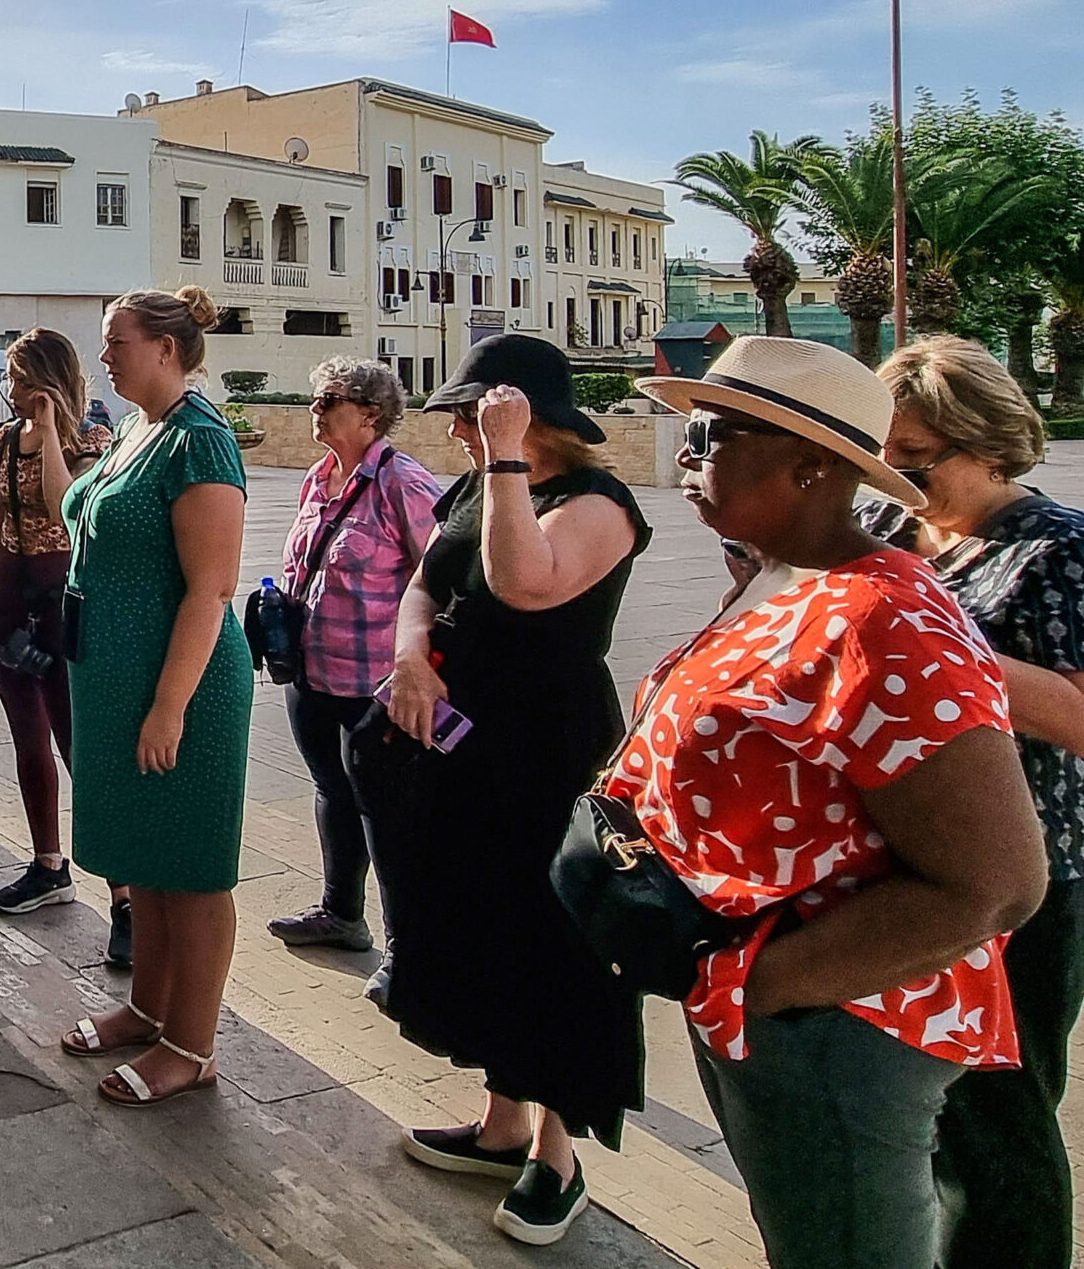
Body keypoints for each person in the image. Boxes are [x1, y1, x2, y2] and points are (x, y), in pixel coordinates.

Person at [620, 336, 1047, 1269]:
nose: (688, 457)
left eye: (711, 434)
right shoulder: (781, 573)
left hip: (840, 1026)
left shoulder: (883, 617)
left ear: (813, 465)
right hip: (764, 1002)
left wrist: (762, 987)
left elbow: (999, 884)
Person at [367, 333, 648, 1246]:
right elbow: (425, 578)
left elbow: (524, 583)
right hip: (461, 747)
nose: (456, 430)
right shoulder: (478, 485)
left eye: (472, 414)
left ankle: (557, 1155)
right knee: (478, 921)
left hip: (546, 752)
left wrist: (509, 461)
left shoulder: (598, 502)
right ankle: (501, 1123)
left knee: (552, 939)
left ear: (529, 419)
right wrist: (410, 658)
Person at [863, 336, 1084, 1269]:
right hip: (893, 858)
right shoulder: (886, 523)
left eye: (919, 458)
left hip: (1018, 873)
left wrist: (938, 651)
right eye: (889, 454)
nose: (899, 477)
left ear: (989, 444)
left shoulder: (1059, 551)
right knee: (929, 1103)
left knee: (1001, 1107)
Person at [58, 288, 250, 1107]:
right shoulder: (142, 429)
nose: (104, 356)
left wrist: (170, 706)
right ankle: (147, 1007)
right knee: (150, 861)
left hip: (181, 685)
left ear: (168, 350)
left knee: (193, 870)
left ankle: (192, 1045)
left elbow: (209, 591)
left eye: (117, 342)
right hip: (117, 677)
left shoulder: (200, 443)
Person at [265, 359, 443, 967]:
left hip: (376, 685)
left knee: (385, 813)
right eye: (314, 399)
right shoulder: (318, 478)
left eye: (329, 400)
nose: (315, 410)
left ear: (371, 414)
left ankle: (409, 952)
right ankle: (341, 914)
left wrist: (418, 667)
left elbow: (443, 581)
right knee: (331, 792)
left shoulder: (405, 483)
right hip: (311, 671)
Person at [0, 328, 118, 942]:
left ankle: (122, 890)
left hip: (64, 606)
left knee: (80, 745)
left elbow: (62, 510)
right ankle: (48, 864)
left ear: (54, 381)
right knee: (29, 741)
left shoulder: (92, 442)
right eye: (11, 377)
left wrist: (53, 430)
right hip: (10, 601)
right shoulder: (2, 442)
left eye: (26, 378)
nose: (16, 390)